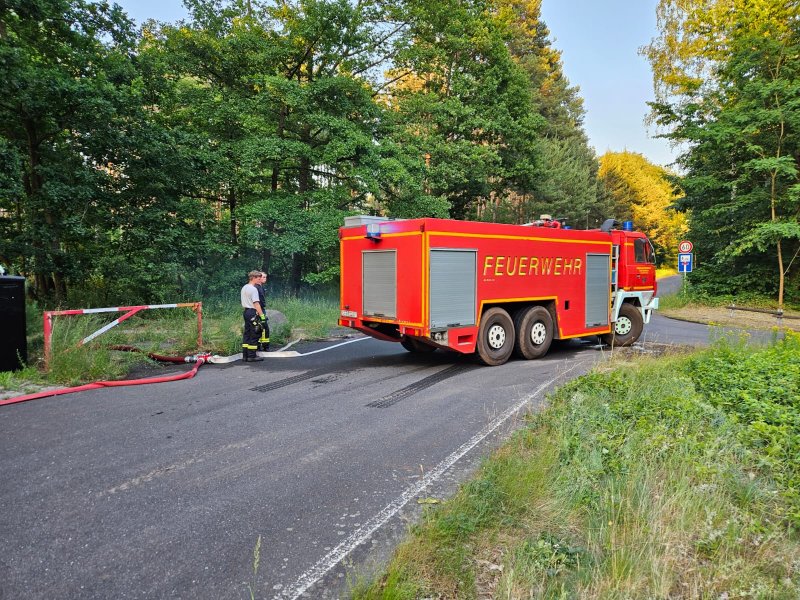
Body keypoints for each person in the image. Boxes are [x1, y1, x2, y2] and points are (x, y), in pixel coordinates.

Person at [241, 270, 266, 362]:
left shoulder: (244, 287)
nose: (259, 280)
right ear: (254, 278)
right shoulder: (253, 289)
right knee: (255, 333)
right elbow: (256, 304)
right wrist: (262, 316)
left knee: (247, 333)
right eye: (258, 279)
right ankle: (252, 356)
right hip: (252, 312)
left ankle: (245, 355)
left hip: (246, 312)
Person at [255, 271, 270, 351]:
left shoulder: (261, 287)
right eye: (263, 277)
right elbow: (256, 301)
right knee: (262, 327)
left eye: (265, 277)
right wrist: (258, 311)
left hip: (262, 309)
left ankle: (264, 346)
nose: (265, 279)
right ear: (259, 278)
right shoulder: (256, 288)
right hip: (258, 310)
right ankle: (260, 346)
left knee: (263, 328)